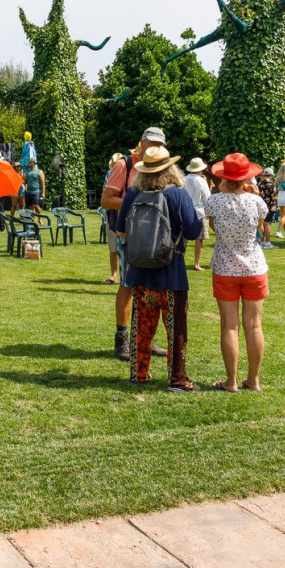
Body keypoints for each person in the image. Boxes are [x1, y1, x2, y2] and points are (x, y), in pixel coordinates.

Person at [114, 144, 202, 391]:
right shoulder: (177, 194)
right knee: (176, 331)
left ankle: (138, 374)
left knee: (141, 326)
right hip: (171, 273)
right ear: (171, 169)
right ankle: (177, 379)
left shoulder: (132, 193)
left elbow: (120, 228)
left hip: (140, 271)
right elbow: (194, 231)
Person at [101, 127, 171, 362]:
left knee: (150, 289)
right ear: (142, 142)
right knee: (128, 285)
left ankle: (144, 340)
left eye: (160, 145)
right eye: (153, 143)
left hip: (155, 237)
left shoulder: (160, 165)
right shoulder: (125, 165)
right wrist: (136, 203)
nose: (157, 148)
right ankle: (122, 341)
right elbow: (106, 199)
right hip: (129, 235)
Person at [205, 154, 268, 393]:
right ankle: (253, 380)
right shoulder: (256, 202)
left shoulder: (214, 201)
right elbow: (260, 229)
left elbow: (213, 226)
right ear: (246, 178)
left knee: (229, 326)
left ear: (223, 177)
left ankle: (231, 381)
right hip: (254, 267)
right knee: (254, 326)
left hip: (224, 266)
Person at [183, 157, 211, 271]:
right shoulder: (201, 181)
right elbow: (207, 198)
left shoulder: (183, 179)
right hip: (199, 212)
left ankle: (180, 263)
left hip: (185, 211)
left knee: (183, 239)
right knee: (199, 240)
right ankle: (196, 264)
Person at [103, 152, 126, 283]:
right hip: (112, 214)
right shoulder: (109, 174)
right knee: (113, 246)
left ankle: (125, 275)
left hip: (125, 215)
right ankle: (114, 274)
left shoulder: (130, 175)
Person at [256, 169, 277, 249]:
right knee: (267, 224)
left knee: (261, 223)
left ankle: (261, 241)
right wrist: (276, 198)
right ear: (271, 176)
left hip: (260, 206)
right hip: (269, 206)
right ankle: (268, 243)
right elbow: (273, 197)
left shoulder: (259, 183)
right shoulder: (271, 184)